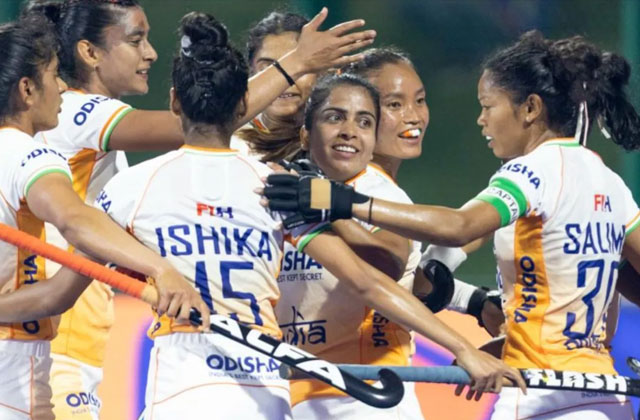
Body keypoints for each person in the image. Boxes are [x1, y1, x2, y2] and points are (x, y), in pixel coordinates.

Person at [98, 12, 525, 419]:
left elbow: (385, 271)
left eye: (299, 67)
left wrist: (463, 299)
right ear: (247, 87)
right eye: (271, 69)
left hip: (345, 389)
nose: (287, 82)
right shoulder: (260, 174)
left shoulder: (306, 184)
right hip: (277, 387)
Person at [24, 1, 376, 418]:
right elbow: (197, 120)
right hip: (57, 344)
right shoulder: (75, 113)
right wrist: (296, 62)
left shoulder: (109, 150)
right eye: (136, 40)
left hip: (79, 345)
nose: (150, 53)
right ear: (90, 52)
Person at [263, 30, 640, 419]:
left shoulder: (531, 171)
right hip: (603, 397)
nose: (481, 120)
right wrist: (499, 335)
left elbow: (460, 227)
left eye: (488, 106)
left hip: (540, 397)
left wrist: (342, 203)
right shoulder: (610, 181)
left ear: (530, 108)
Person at [0, 15, 208, 420]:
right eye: (53, 76)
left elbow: (56, 295)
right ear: (26, 90)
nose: (62, 87)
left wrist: (103, 252)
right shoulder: (28, 154)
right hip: (15, 374)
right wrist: (161, 269)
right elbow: (74, 220)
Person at [275, 73, 425, 419]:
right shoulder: (283, 188)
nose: (349, 131)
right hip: (295, 388)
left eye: (364, 122)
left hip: (368, 391)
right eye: (335, 117)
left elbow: (388, 265)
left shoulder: (380, 193)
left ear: (373, 141)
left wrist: (328, 207)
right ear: (305, 135)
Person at [343, 47, 504, 336]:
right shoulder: (378, 192)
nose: (414, 116)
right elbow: (389, 277)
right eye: (394, 104)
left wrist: (474, 300)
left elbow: (414, 283)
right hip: (367, 362)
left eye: (419, 100)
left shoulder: (342, 183)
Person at [232, 11, 317, 162]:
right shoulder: (226, 141)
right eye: (269, 69)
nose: (284, 81)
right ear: (251, 74)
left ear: (321, 72)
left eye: (298, 68)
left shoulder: (337, 141)